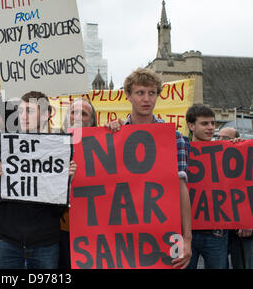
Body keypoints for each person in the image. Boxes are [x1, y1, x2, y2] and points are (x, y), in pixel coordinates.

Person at [0, 64, 77, 269]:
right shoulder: (11, 147)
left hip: (45, 243)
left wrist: (65, 182)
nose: (22, 116)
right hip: (7, 240)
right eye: (20, 111)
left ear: (45, 115)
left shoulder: (58, 150)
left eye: (29, 111)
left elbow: (60, 208)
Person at [106, 67, 192, 269]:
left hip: (160, 232)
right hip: (121, 234)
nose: (146, 99)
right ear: (128, 95)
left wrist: (187, 239)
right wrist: (108, 134)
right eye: (140, 93)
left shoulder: (173, 137)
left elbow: (181, 188)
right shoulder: (114, 135)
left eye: (152, 93)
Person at [185, 104, 228, 269]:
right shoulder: (180, 149)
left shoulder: (227, 151)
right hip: (185, 231)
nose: (211, 128)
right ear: (191, 126)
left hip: (216, 232)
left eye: (213, 123)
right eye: (204, 123)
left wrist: (239, 148)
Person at [59, 97, 98, 269]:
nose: (77, 117)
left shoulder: (104, 145)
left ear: (92, 121)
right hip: (61, 230)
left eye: (84, 114)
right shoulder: (51, 144)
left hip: (94, 229)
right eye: (74, 112)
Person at [217, 127, 252, 269]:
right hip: (227, 230)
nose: (220, 141)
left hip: (245, 228)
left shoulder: (246, 157)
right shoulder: (214, 160)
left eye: (225, 138)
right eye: (218, 137)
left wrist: (248, 220)